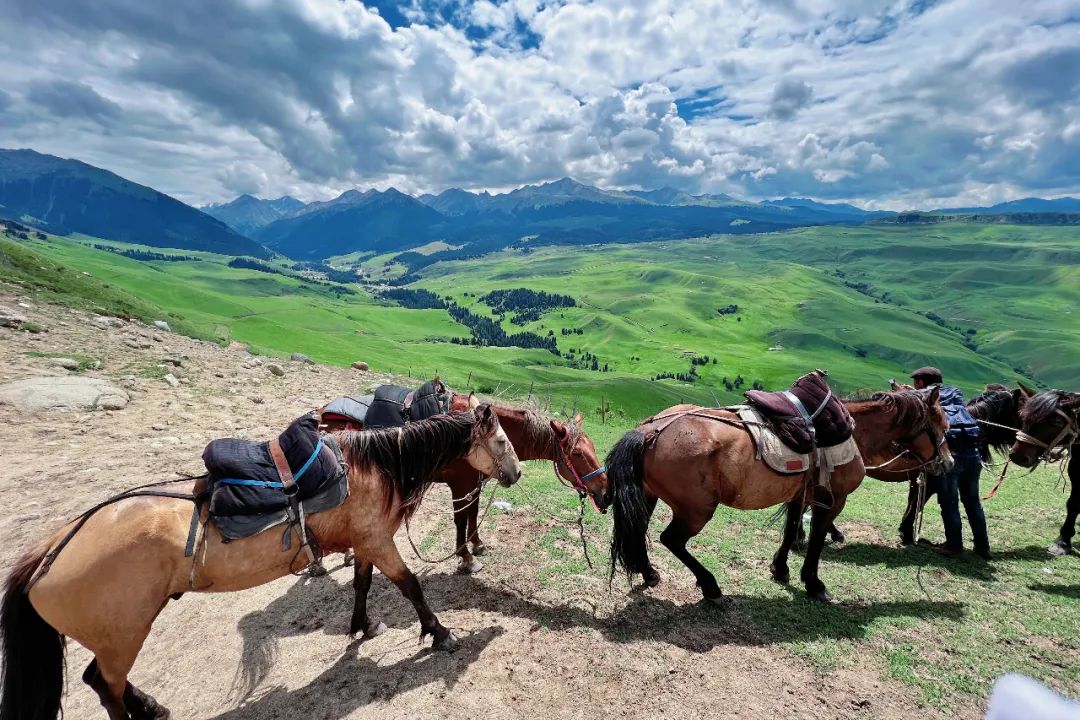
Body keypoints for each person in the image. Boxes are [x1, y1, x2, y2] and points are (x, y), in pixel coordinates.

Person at [910, 366, 991, 559]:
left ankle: (954, 546)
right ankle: (983, 548)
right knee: (973, 502)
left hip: (950, 454)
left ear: (920, 382)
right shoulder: (956, 392)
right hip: (973, 454)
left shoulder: (922, 396)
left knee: (949, 502)